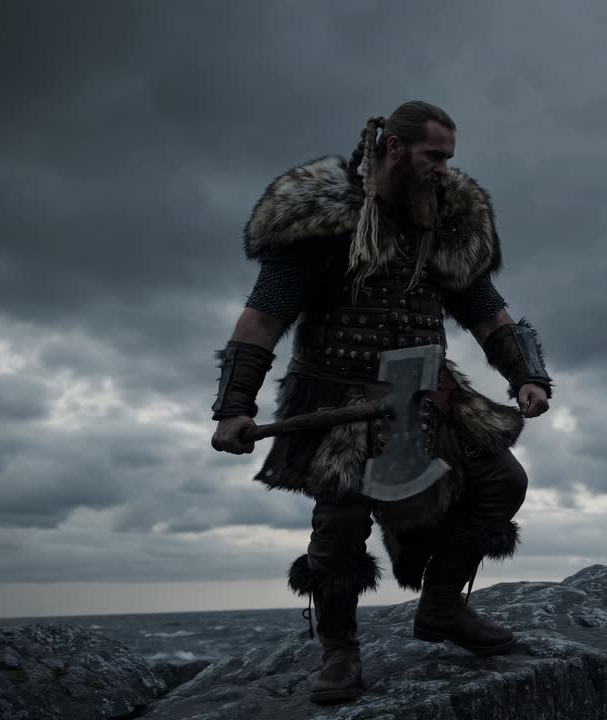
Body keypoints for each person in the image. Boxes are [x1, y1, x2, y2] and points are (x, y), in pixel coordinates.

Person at [208, 100, 553, 704]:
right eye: (434, 156)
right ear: (395, 149)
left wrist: (526, 375)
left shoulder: (446, 220)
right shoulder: (325, 221)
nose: (445, 169)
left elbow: (486, 310)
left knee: (501, 481)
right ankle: (340, 650)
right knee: (340, 527)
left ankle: (442, 610)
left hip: (427, 394)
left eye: (450, 157)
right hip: (337, 398)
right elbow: (262, 320)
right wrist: (234, 407)